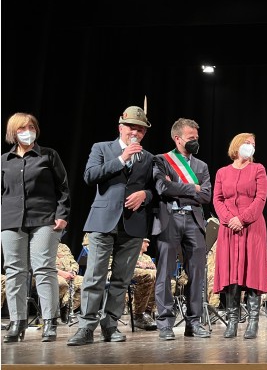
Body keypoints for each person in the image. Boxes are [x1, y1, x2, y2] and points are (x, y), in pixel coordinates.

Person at [68, 105, 154, 346]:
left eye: (140, 129)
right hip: (103, 221)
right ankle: (86, 327)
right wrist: (121, 159)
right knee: (94, 276)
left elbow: (155, 190)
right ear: (121, 127)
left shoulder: (148, 158)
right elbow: (90, 176)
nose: (135, 132)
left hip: (132, 225)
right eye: (131, 128)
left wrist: (144, 196)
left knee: (121, 279)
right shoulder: (102, 148)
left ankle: (111, 325)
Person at [1, 112, 70, 343]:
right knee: (14, 271)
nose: (27, 131)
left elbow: (63, 189)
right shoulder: (4, 161)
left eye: (31, 127)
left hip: (45, 219)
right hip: (11, 220)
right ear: (13, 132)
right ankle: (16, 322)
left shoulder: (48, 156)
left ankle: (49, 322)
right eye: (22, 128)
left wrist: (62, 215)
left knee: (43, 268)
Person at [152, 118, 212, 340]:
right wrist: (192, 188)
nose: (195, 141)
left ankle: (193, 322)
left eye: (196, 138)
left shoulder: (201, 166)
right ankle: (165, 324)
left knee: (197, 274)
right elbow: (162, 187)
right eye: (191, 138)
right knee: (165, 273)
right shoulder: (161, 160)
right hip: (169, 219)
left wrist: (177, 187)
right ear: (178, 139)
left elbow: (206, 196)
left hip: (194, 221)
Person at [213, 133, 267, 339]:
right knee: (231, 274)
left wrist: (242, 219)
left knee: (252, 272)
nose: (250, 147)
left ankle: (253, 321)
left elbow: (260, 198)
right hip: (228, 228)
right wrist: (229, 219)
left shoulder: (258, 169)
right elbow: (217, 200)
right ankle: (232, 322)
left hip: (252, 226)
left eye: (253, 144)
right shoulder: (222, 172)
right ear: (236, 146)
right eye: (247, 143)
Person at [130, 238, 158, 330]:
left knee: (157, 276)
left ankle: (147, 312)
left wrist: (146, 265)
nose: (148, 245)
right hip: (132, 276)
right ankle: (138, 313)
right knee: (149, 275)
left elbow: (153, 266)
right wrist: (139, 264)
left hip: (148, 275)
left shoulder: (147, 257)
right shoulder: (131, 253)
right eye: (146, 242)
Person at [56, 242, 83, 323]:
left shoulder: (63, 246)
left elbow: (73, 262)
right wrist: (62, 274)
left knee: (85, 283)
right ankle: (54, 312)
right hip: (53, 274)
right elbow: (45, 265)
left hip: (68, 274)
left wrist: (73, 271)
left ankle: (67, 308)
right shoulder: (43, 245)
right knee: (62, 284)